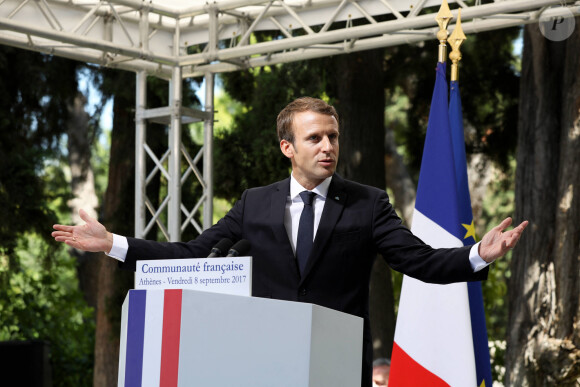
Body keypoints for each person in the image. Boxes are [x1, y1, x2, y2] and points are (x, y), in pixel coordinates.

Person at [52, 97, 527, 387]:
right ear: (287, 148)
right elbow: (193, 254)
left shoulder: (367, 203)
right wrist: (113, 242)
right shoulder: (255, 203)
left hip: (338, 365)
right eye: (316, 137)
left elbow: (418, 261)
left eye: (334, 137)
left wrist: (476, 255)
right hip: (265, 364)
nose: (328, 147)